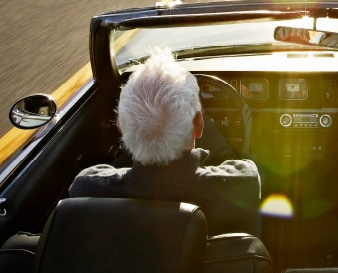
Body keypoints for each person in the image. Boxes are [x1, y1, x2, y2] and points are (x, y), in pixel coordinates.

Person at [69, 48, 261, 236]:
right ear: (198, 125)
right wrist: (202, 123)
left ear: (121, 127)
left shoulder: (86, 190)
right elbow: (239, 165)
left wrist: (142, 138)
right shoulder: (243, 185)